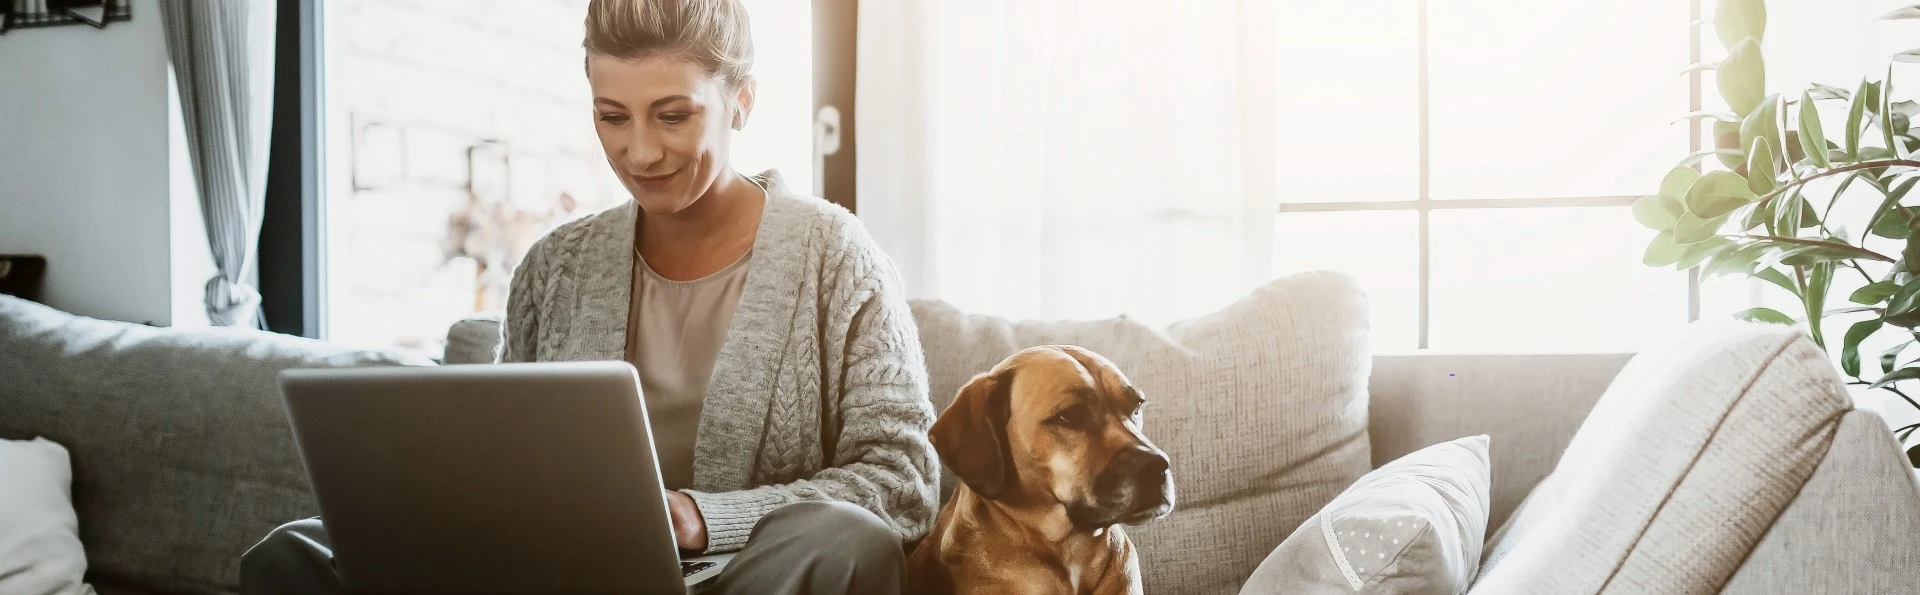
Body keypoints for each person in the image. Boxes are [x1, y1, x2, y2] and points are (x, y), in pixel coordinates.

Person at [239, 0, 939, 593]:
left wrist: (705, 515)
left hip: (739, 575)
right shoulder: (555, 266)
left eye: (672, 116)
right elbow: (503, 457)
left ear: (742, 101)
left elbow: (904, 480)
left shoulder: (837, 255)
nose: (640, 153)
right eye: (612, 116)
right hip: (561, 573)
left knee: (847, 542)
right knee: (293, 553)